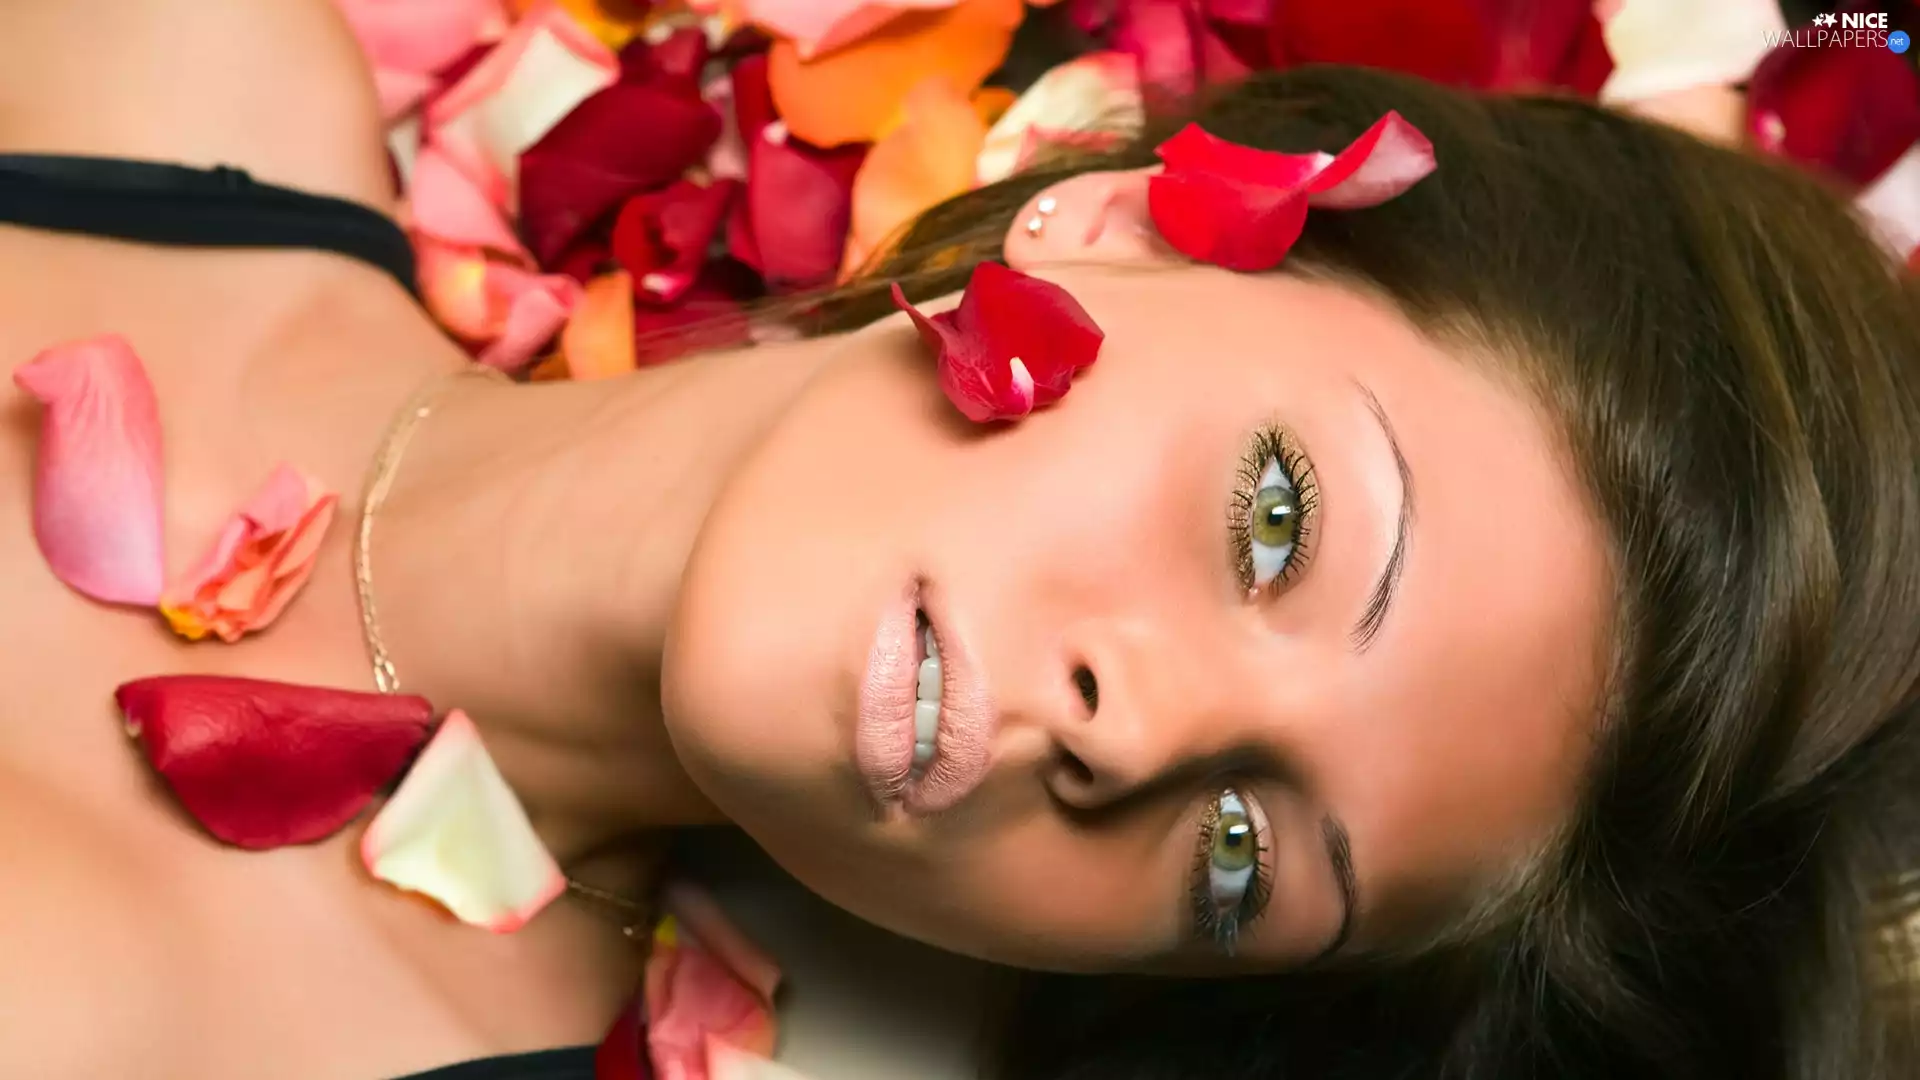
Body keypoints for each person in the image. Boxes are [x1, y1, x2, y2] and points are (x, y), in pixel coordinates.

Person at [0, 1, 1915, 1079]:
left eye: (1241, 860)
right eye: (1277, 521)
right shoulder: (158, 55)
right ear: (1134, 219)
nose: (1137, 731)